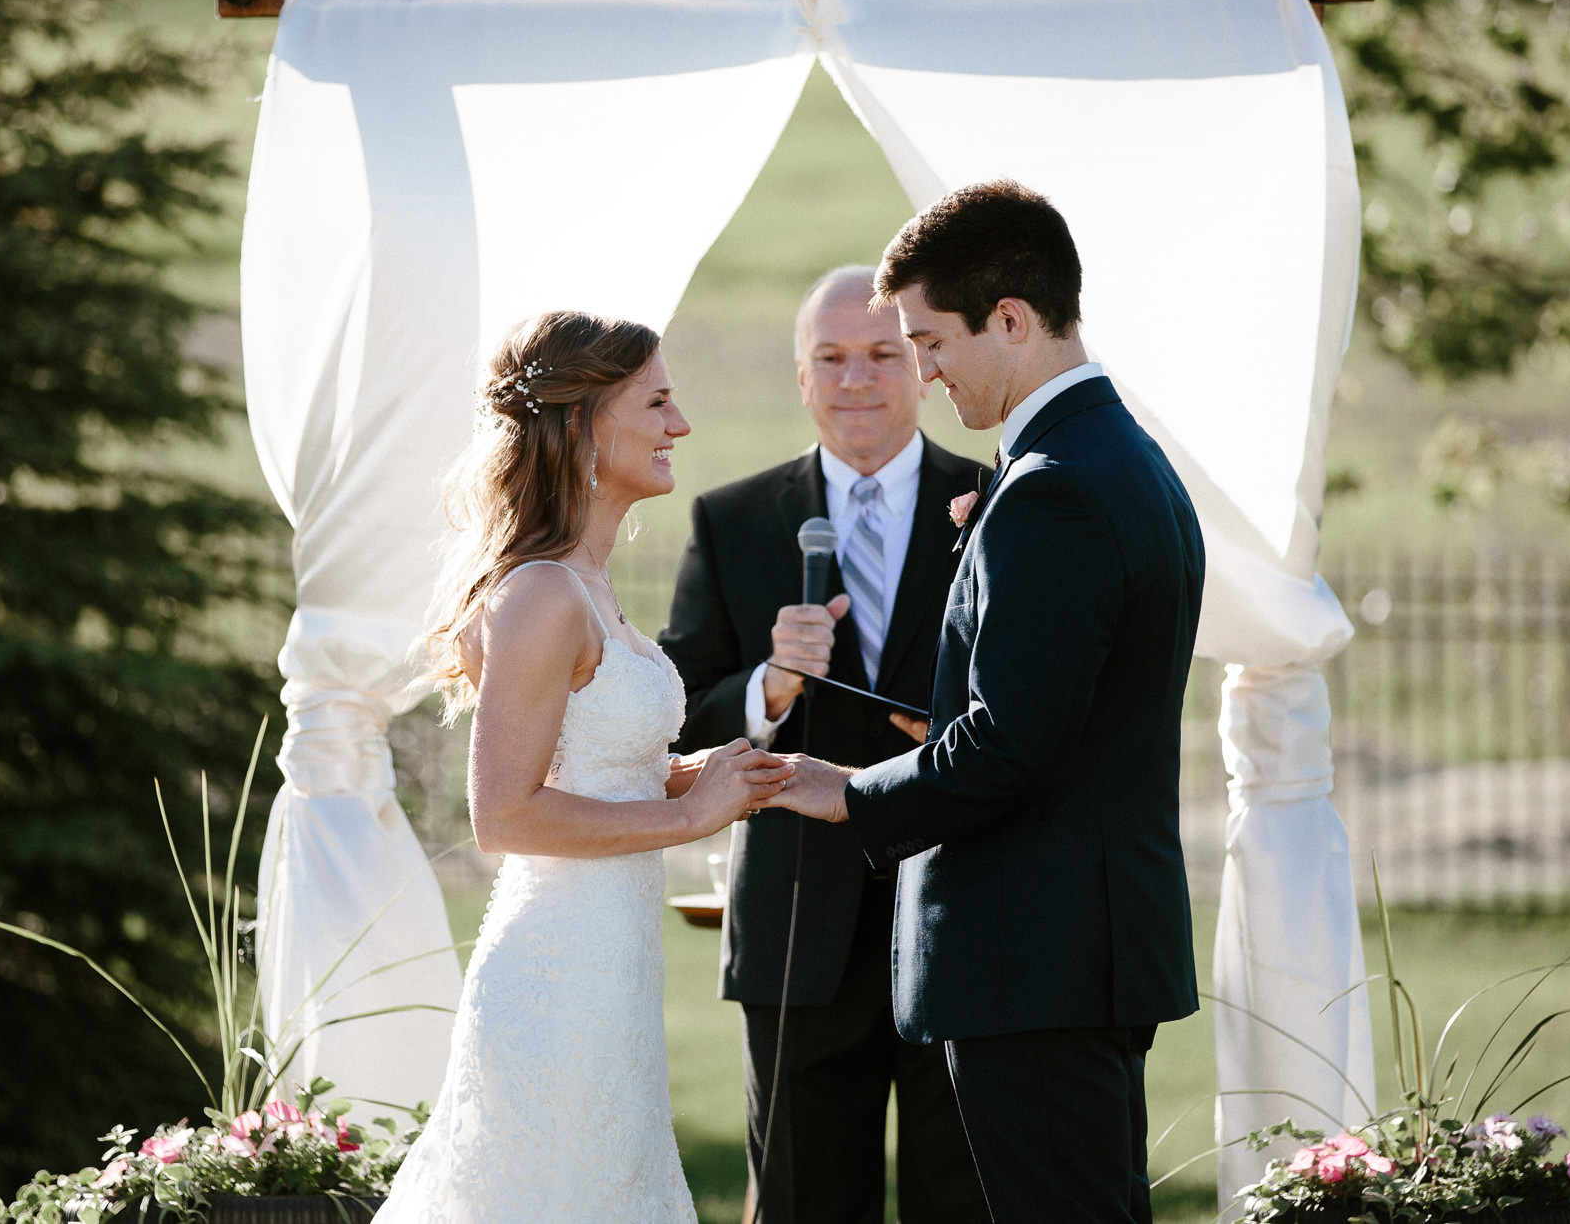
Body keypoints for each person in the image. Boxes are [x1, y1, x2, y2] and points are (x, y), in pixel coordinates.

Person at [764, 182, 1207, 1224]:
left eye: (927, 341)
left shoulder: (1052, 485)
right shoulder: (1118, 456)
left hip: (1035, 957)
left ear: (1010, 319)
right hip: (1072, 951)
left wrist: (851, 791)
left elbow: (1009, 748)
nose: (921, 370)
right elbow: (1062, 709)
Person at [381, 310, 796, 1224]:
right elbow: (507, 816)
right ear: (583, 424)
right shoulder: (541, 594)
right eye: (657, 400)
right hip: (555, 988)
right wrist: (691, 817)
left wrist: (702, 772)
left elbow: (595, 766)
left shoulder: (591, 585)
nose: (679, 425)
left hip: (612, 985)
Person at [659, 266, 989, 1224]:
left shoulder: (998, 498)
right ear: (800, 376)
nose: (858, 378)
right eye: (832, 358)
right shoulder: (733, 519)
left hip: (961, 914)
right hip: (798, 925)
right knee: (805, 1203)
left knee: (961, 1201)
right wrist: (770, 683)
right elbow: (676, 710)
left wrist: (960, 727)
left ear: (922, 368)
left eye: (885, 353)